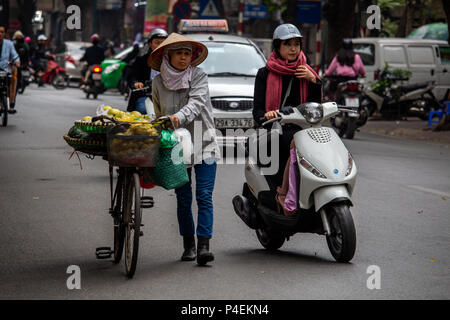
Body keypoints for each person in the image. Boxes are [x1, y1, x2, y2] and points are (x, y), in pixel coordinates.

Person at [149, 33, 220, 266]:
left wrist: (176, 118)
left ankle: (204, 247)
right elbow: (158, 114)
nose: (183, 57)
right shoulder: (158, 82)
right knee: (183, 197)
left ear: (193, 57)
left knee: (204, 196)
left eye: (187, 53)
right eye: (178, 53)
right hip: (176, 146)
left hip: (204, 143)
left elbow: (196, 104)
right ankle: (188, 245)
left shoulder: (199, 76)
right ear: (167, 55)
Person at [253, 23, 322, 216]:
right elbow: (257, 109)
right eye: (287, 44)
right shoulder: (265, 73)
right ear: (277, 47)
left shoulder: (306, 71)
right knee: (293, 143)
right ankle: (283, 194)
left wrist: (314, 81)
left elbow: (316, 106)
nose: (293, 49)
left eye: (296, 44)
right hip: (274, 130)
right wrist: (266, 115)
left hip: (303, 128)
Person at [128, 28, 168, 115]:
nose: (160, 46)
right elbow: (132, 76)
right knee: (142, 110)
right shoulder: (141, 60)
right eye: (157, 43)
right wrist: (136, 82)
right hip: (145, 95)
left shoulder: (172, 61)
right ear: (150, 44)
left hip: (167, 97)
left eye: (163, 43)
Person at [0, 26, 21, 113]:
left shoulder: (9, 44)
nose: (0, 34)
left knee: (14, 80)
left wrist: (17, 61)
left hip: (5, 69)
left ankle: (11, 104)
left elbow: (15, 55)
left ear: (4, 33)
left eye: (1, 32)